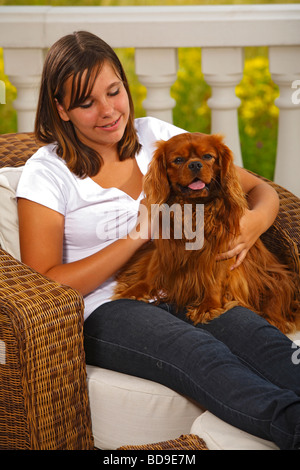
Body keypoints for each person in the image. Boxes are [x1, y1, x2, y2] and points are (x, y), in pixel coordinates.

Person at [16, 31, 300, 450]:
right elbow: (44, 286)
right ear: (61, 109)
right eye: (85, 102)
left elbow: (262, 192)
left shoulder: (157, 138)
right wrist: (138, 233)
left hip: (185, 283)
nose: (108, 111)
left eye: (114, 92)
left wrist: (253, 224)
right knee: (201, 354)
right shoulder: (46, 173)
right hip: (108, 307)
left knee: (261, 341)